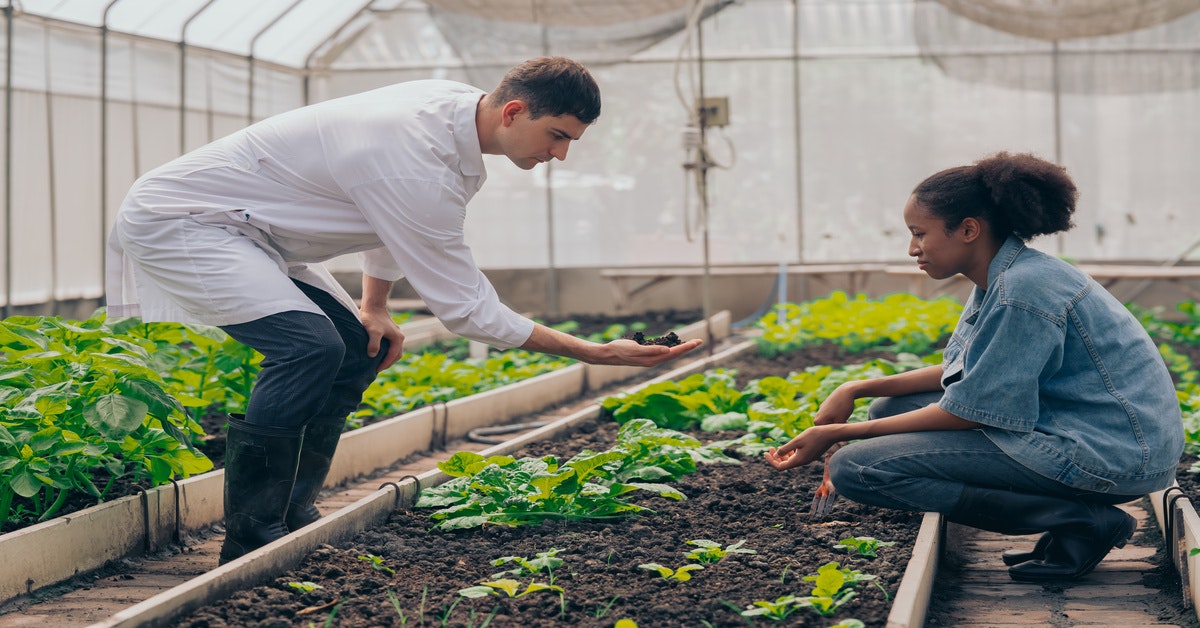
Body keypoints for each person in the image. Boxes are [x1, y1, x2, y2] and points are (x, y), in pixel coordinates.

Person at [105, 56, 702, 564]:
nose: (561, 154)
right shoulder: (416, 159)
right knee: (309, 347)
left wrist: (376, 307)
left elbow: (385, 218)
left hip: (254, 231)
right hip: (185, 221)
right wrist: (594, 353)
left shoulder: (452, 124)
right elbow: (467, 309)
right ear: (514, 112)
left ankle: (292, 512)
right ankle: (251, 538)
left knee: (355, 349)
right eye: (558, 136)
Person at [764, 152, 1183, 582]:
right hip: (1089, 427)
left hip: (1111, 454)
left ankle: (1079, 520)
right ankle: (1073, 518)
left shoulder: (1023, 290)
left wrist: (835, 434)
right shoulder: (1006, 275)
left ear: (968, 230)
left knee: (859, 468)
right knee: (889, 408)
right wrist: (856, 388)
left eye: (919, 233)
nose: (912, 249)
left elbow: (966, 412)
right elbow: (964, 371)